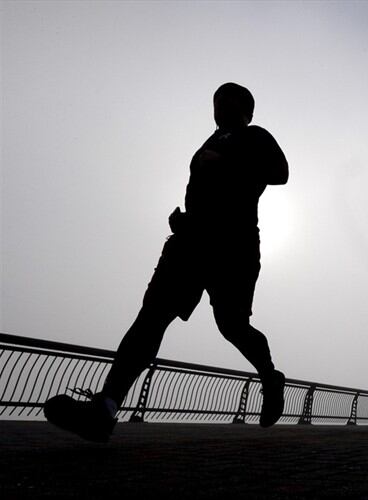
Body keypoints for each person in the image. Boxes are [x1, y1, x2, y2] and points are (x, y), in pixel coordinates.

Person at [45, 83, 289, 442]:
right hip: (189, 245)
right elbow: (204, 196)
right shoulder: (205, 145)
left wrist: (229, 162)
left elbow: (280, 173)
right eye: (216, 102)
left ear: (248, 111)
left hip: (234, 248)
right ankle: (106, 408)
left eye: (229, 101)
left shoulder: (256, 137)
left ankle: (269, 376)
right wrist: (183, 221)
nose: (220, 107)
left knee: (231, 325)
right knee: (151, 318)